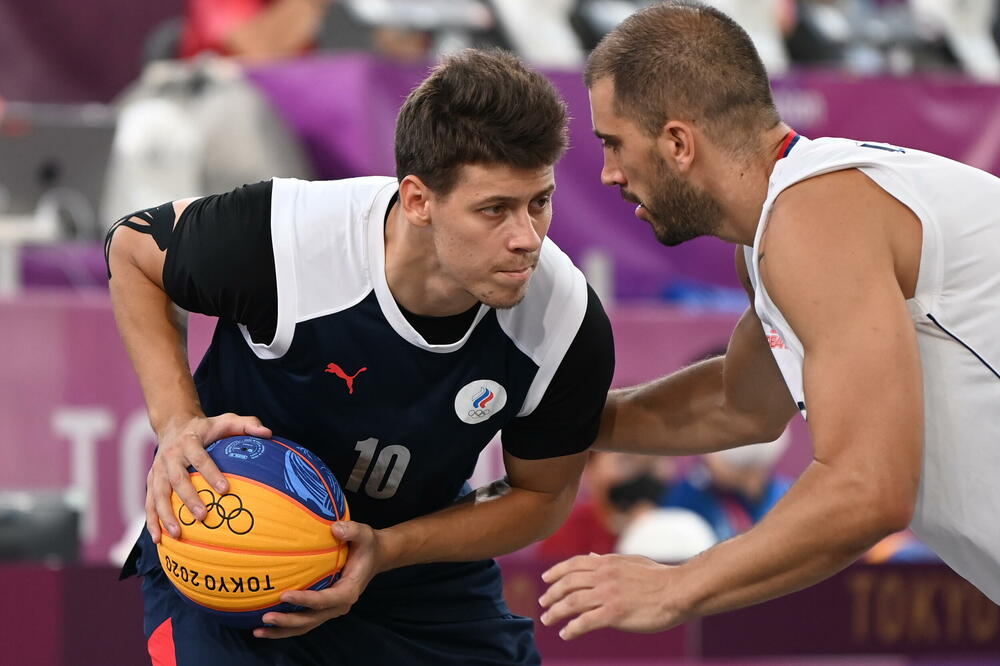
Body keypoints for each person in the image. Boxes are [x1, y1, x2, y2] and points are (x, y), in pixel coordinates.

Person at [106, 49, 615, 664]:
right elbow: (133, 249)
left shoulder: (565, 319)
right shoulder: (288, 239)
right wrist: (176, 422)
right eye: (494, 210)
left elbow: (542, 498)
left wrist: (387, 549)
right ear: (419, 200)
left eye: (540, 202)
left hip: (413, 565)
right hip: (235, 539)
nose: (527, 239)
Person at [538, 0, 1000, 640]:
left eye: (613, 143)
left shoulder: (814, 219)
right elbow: (742, 405)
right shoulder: (783, 230)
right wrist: (560, 420)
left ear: (677, 143)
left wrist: (675, 585)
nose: (609, 172)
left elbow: (868, 488)